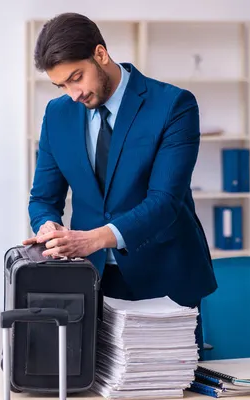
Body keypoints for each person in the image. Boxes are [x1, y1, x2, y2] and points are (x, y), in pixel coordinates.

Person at [22, 12, 217, 354]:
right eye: (61, 85)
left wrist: (92, 240)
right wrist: (48, 225)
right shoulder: (57, 115)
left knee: (167, 384)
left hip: (166, 276)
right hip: (90, 280)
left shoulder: (173, 105)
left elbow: (165, 201)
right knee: (94, 381)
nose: (73, 94)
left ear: (100, 54)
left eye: (76, 78)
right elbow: (42, 198)